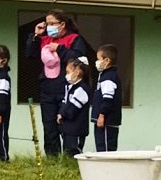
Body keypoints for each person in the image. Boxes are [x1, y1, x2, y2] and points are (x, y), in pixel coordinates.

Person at [26, 10, 92, 157]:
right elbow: (30, 54)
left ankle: (69, 157)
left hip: (66, 89)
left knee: (66, 124)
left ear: (62, 24)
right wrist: (36, 35)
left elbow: (79, 59)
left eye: (52, 24)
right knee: (49, 126)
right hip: (47, 90)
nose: (49, 27)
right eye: (47, 23)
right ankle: (52, 158)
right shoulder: (44, 39)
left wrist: (59, 49)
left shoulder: (74, 39)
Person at [57, 56, 95, 156]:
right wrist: (60, 113)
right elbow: (64, 102)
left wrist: (62, 114)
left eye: (68, 72)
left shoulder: (82, 89)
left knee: (74, 153)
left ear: (77, 72)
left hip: (76, 130)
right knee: (66, 153)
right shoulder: (70, 87)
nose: (67, 75)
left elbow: (72, 109)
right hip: (68, 129)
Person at [92, 44, 123, 152]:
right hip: (107, 120)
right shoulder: (106, 75)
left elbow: (107, 99)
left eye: (98, 59)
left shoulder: (108, 77)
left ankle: (106, 167)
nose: (96, 62)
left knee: (104, 147)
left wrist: (101, 115)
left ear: (107, 61)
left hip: (106, 120)